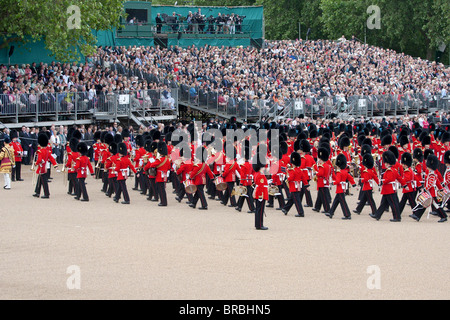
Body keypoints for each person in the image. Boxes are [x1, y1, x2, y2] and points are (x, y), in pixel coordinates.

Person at [410, 154, 448, 223]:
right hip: (430, 192)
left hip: (431, 192)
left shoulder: (432, 174)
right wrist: (441, 189)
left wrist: (425, 189)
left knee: (435, 205)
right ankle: (417, 215)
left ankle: (443, 216)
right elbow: (437, 183)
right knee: (425, 203)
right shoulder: (431, 173)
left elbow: (430, 184)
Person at [370, 150, 405, 222]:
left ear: (388, 163)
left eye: (385, 163)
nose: (384, 164)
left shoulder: (390, 170)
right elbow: (399, 178)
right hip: (388, 190)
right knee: (383, 204)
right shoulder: (393, 170)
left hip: (389, 190)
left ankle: (397, 217)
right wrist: (404, 185)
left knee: (393, 204)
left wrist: (382, 181)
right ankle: (377, 215)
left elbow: (389, 179)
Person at [325, 154, 356, 219]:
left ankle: (347, 215)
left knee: (343, 202)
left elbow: (338, 181)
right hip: (343, 188)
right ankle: (331, 212)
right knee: (336, 201)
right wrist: (353, 184)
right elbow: (350, 178)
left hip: (340, 189)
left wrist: (332, 183)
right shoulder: (345, 172)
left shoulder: (339, 172)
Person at [282, 151, 308, 217]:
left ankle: (301, 212)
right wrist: (306, 185)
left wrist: (287, 177)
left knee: (297, 200)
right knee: (291, 199)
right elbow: (304, 179)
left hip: (293, 186)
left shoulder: (292, 170)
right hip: (298, 186)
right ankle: (285, 209)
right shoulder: (300, 170)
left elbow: (290, 178)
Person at [33, 133, 58, 199]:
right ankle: (37, 192)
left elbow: (39, 159)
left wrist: (35, 163)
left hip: (41, 167)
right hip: (45, 166)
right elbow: (51, 158)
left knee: (44, 181)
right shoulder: (47, 151)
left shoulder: (40, 151)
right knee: (40, 180)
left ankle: (46, 194)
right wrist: (55, 165)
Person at [253, 145, 269, 230]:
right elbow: (261, 187)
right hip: (261, 195)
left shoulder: (256, 174)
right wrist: (260, 196)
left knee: (258, 210)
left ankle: (258, 224)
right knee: (260, 210)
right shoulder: (261, 175)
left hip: (259, 194)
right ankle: (259, 225)